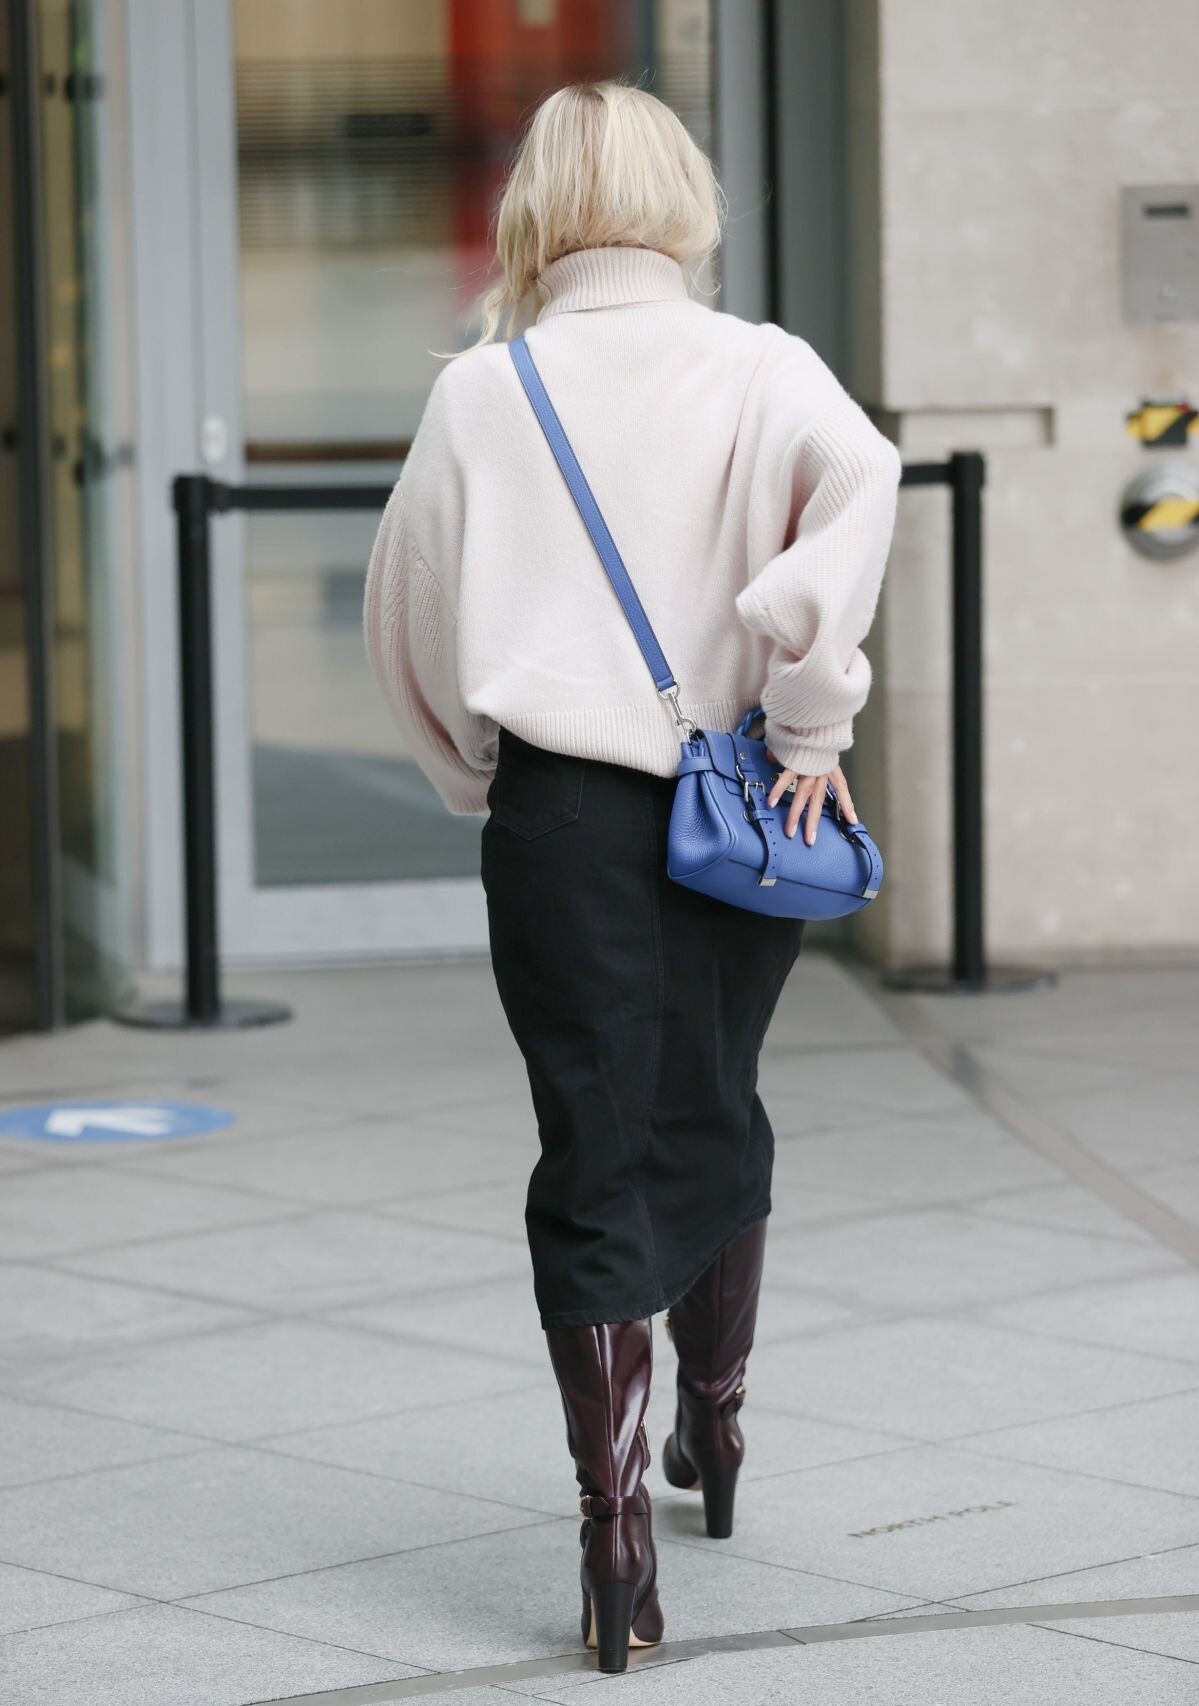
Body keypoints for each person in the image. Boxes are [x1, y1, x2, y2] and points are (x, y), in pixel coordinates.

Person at [362, 79, 900, 1674]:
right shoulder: (764, 366)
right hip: (744, 807)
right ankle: (714, 1421)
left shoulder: (487, 391)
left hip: (563, 813)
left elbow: (407, 615)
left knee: (592, 1140)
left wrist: (486, 771)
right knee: (713, 1096)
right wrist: (808, 718)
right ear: (684, 196)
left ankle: (617, 1545)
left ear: (538, 202)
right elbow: (861, 483)